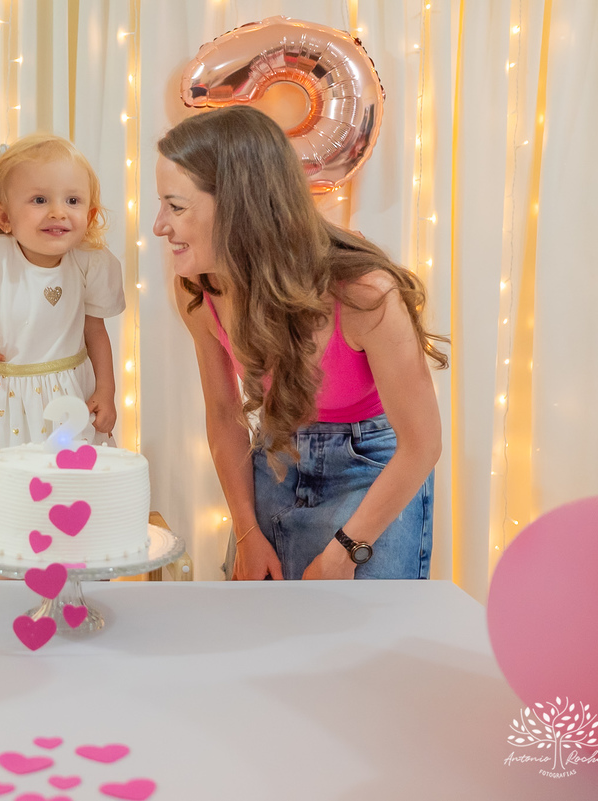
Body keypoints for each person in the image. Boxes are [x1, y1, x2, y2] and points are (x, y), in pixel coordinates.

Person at [152, 106, 448, 581]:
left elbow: (422, 443)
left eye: (176, 206)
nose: (159, 226)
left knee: (359, 644)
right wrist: (246, 530)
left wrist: (346, 553)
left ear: (237, 206)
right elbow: (224, 416)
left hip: (373, 472)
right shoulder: (198, 291)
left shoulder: (364, 295)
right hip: (277, 460)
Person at [0, 134, 125, 534]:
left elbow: (95, 330)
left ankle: (66, 577)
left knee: (68, 499)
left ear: (91, 214)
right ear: (4, 217)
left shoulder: (88, 264)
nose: (58, 213)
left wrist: (107, 389)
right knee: (8, 511)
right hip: (0, 398)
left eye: (73, 201)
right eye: (39, 200)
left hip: (67, 397)